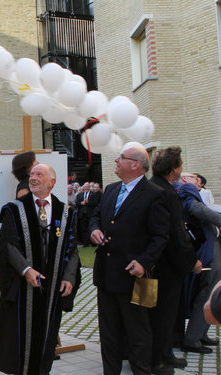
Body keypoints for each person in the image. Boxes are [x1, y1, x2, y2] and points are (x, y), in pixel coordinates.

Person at [0, 163, 80, 375]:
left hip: (52, 286)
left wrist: (69, 277)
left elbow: (72, 247)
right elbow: (7, 245)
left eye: (39, 174)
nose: (33, 178)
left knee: (47, 336)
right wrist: (26, 270)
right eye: (31, 174)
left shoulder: (65, 212)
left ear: (52, 182)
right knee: (21, 339)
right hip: (23, 288)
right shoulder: (14, 209)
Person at [89, 145, 170, 375]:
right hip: (106, 274)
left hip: (136, 276)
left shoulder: (155, 194)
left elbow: (161, 236)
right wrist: (94, 230)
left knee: (138, 333)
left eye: (121, 158)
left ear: (136, 164)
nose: (115, 160)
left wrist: (144, 262)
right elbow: (96, 217)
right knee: (109, 333)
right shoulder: (112, 189)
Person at [149, 147, 201, 374]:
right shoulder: (168, 193)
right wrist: (192, 261)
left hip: (151, 263)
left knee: (154, 313)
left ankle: (164, 354)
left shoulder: (150, 187)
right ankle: (159, 360)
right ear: (174, 169)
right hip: (166, 265)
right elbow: (177, 234)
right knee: (164, 314)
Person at [177, 172, 221, 354]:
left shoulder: (187, 190)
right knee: (206, 293)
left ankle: (201, 334)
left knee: (209, 292)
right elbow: (196, 209)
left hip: (209, 248)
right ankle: (193, 339)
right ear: (186, 179)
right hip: (208, 250)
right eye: (196, 178)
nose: (199, 181)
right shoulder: (185, 188)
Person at [76, 182, 94, 247]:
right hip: (82, 214)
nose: (86, 188)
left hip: (90, 214)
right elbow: (77, 203)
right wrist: (81, 203)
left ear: (89, 187)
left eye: (87, 187)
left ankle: (92, 243)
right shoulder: (80, 195)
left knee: (91, 228)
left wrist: (88, 202)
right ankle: (85, 243)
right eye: (85, 187)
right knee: (83, 229)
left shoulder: (93, 194)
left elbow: (95, 203)